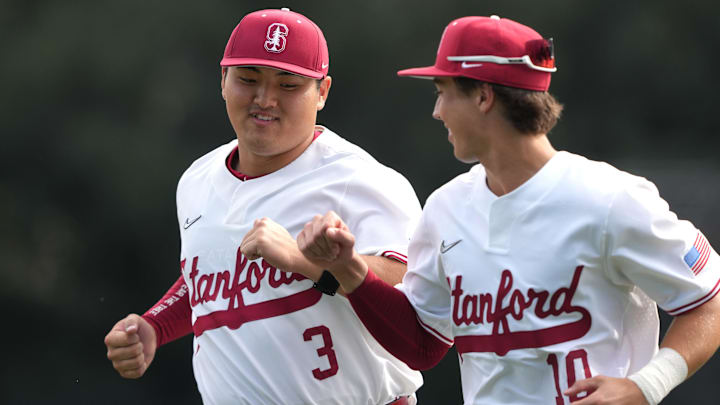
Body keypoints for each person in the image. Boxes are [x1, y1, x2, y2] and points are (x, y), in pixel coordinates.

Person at [296, 15, 720, 405]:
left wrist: (648, 385)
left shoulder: (609, 199)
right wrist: (350, 268)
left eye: (443, 93)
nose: (436, 111)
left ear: (483, 96)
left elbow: (709, 302)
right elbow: (423, 345)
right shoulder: (446, 208)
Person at [103, 8, 424, 405]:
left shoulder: (360, 179)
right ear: (223, 81)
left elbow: (410, 291)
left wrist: (306, 261)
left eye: (288, 84)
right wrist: (156, 325)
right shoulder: (196, 181)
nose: (265, 99)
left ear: (322, 92)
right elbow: (213, 274)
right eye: (248, 79)